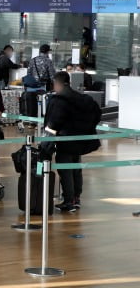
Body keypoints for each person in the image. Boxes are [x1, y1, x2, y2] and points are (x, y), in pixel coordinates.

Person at [41, 71, 101, 213]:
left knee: (65, 170)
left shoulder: (59, 100)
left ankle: (68, 201)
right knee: (76, 169)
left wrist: (45, 143)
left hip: (65, 141)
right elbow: (97, 114)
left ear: (56, 84)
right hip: (80, 142)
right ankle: (76, 198)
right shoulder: (83, 98)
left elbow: (53, 123)